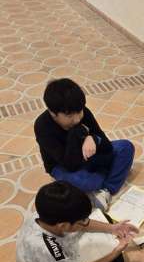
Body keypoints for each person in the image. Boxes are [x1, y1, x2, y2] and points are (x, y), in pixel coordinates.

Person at [16, 181, 138, 262]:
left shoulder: (46, 213)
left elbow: (85, 223)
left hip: (62, 254)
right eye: (82, 222)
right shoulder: (50, 250)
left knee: (106, 221)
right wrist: (114, 253)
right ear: (63, 225)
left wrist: (113, 228)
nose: (85, 223)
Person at [34, 78, 135, 211]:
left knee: (126, 147)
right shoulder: (42, 126)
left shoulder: (82, 111)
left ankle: (105, 190)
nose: (77, 119)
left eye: (79, 112)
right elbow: (69, 164)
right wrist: (76, 132)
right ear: (53, 113)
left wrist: (93, 138)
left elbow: (106, 145)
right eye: (69, 116)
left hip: (91, 156)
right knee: (86, 182)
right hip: (62, 164)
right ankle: (104, 178)